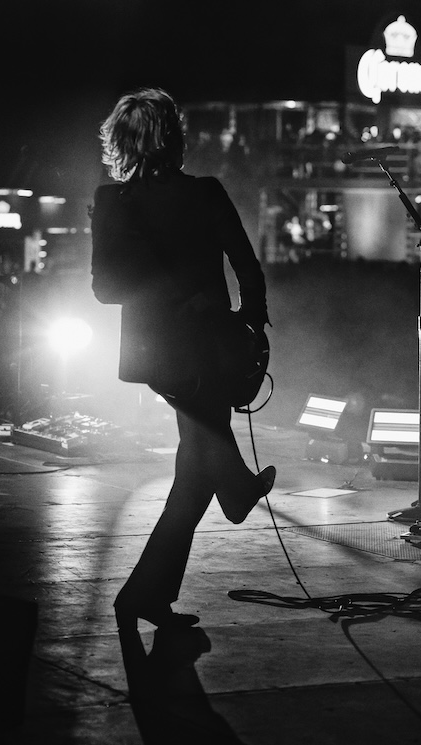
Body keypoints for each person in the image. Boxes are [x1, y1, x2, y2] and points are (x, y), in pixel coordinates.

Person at [90, 87, 276, 632]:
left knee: (192, 473)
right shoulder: (205, 192)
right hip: (206, 349)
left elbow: (104, 289)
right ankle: (236, 488)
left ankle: (144, 597)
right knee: (200, 464)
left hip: (158, 355)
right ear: (173, 136)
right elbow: (248, 268)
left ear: (122, 141)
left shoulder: (113, 200)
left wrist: (164, 296)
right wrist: (250, 324)